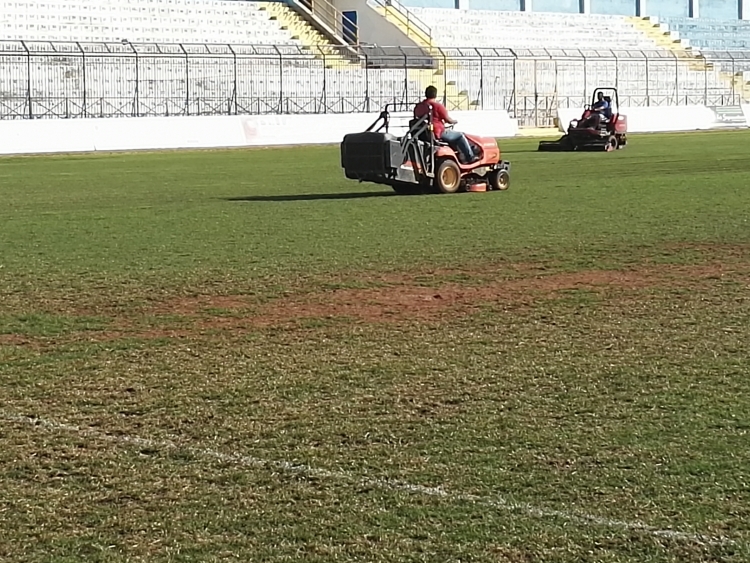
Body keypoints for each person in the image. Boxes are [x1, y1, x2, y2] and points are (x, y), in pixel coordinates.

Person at [413, 85, 478, 164]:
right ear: (435, 95)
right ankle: (470, 157)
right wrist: (454, 121)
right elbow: (448, 119)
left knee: (454, 135)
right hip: (438, 133)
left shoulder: (419, 106)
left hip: (423, 133)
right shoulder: (437, 106)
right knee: (460, 135)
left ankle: (464, 153)